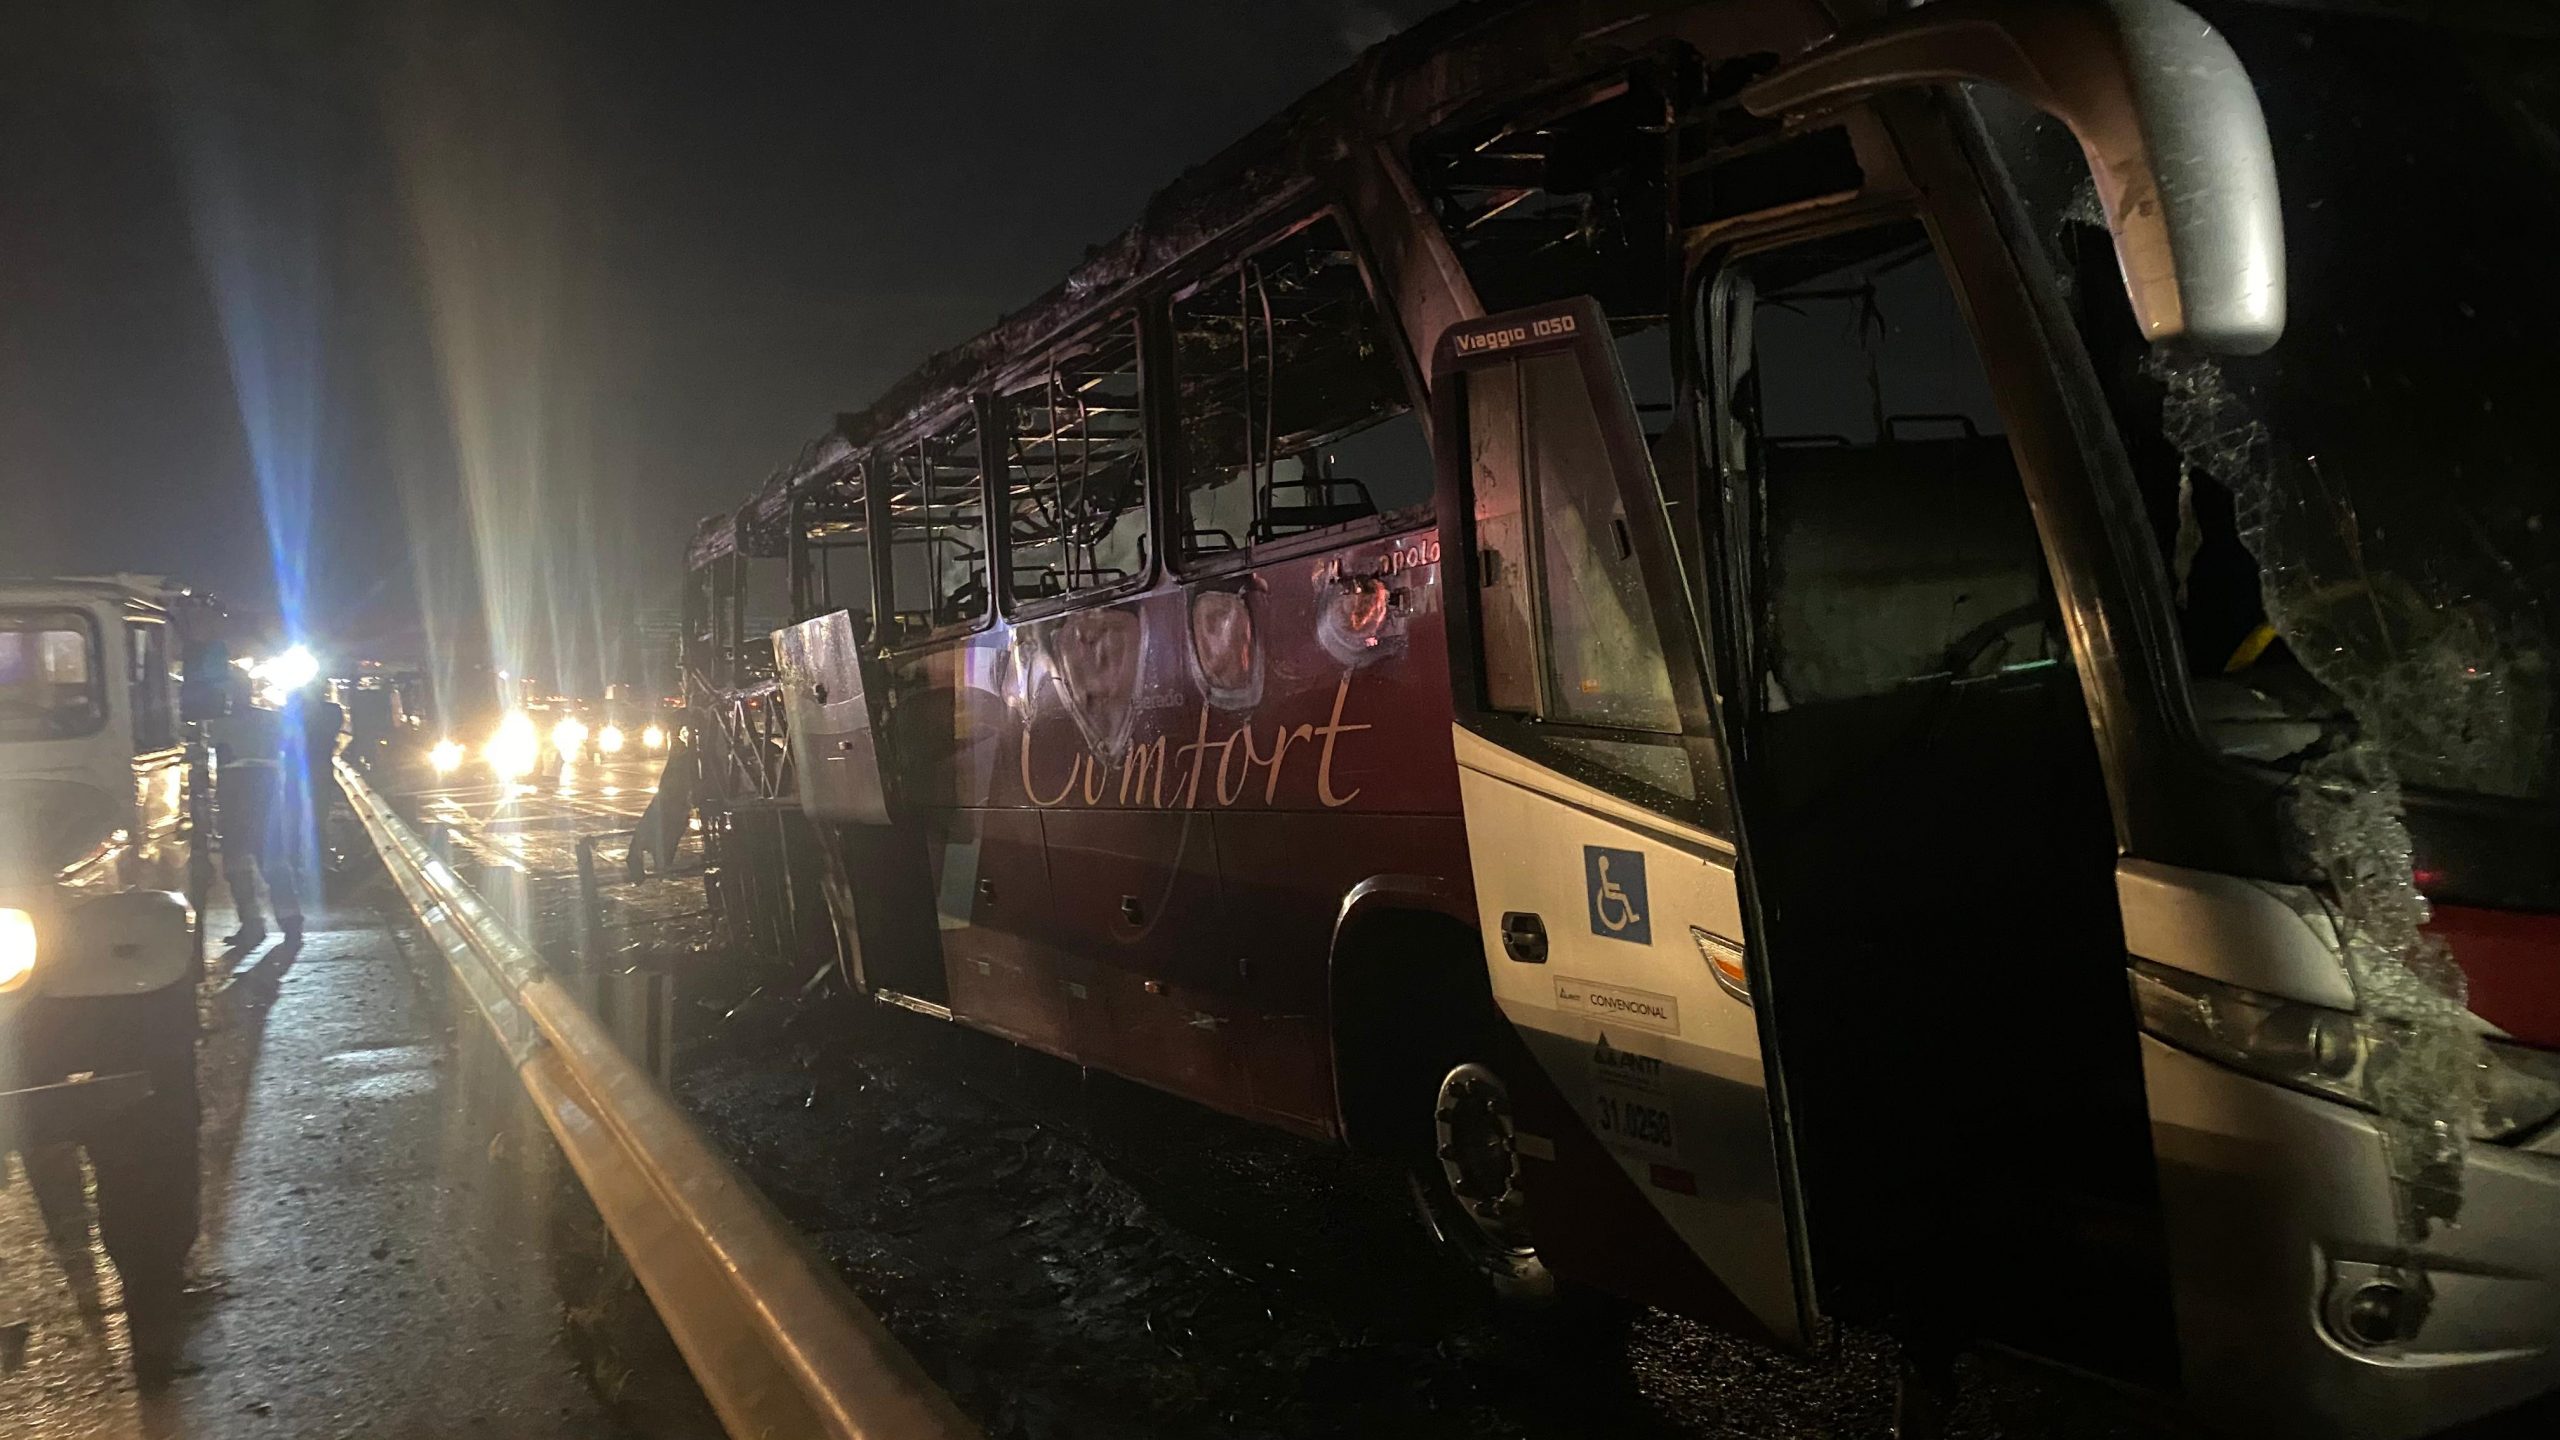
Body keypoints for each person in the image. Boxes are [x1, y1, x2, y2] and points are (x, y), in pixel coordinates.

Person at [212, 675, 305, 946]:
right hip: (264, 796)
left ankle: (254, 925)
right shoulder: (271, 720)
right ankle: (288, 922)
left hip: (238, 797)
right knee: (269, 862)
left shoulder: (219, 724)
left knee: (240, 865)